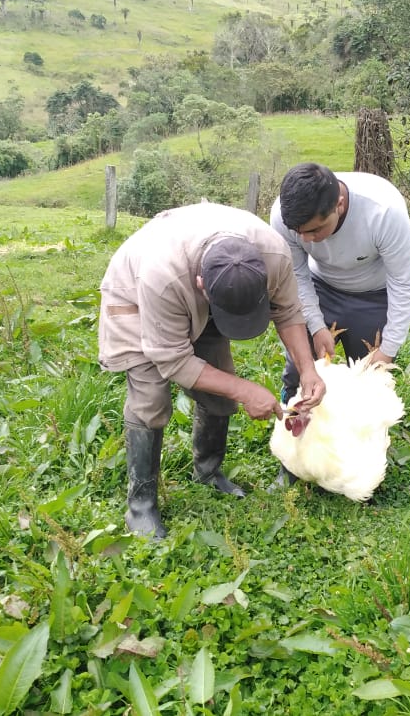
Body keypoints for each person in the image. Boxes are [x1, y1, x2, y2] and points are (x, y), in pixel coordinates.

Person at [99, 202, 325, 539]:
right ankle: (141, 505)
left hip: (208, 293)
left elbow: (289, 311)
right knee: (151, 399)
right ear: (203, 284)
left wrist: (309, 370)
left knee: (219, 397)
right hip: (135, 296)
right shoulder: (162, 275)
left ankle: (208, 472)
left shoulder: (273, 254)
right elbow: (172, 360)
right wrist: (246, 390)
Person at [269, 163, 410, 486]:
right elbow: (296, 274)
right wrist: (315, 325)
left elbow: (405, 282)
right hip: (318, 287)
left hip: (374, 293)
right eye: (300, 233)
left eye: (314, 231)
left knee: (364, 377)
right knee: (300, 368)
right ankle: (292, 459)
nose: (307, 239)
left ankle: (358, 461)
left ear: (338, 204)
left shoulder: (383, 211)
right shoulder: (284, 216)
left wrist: (389, 349)